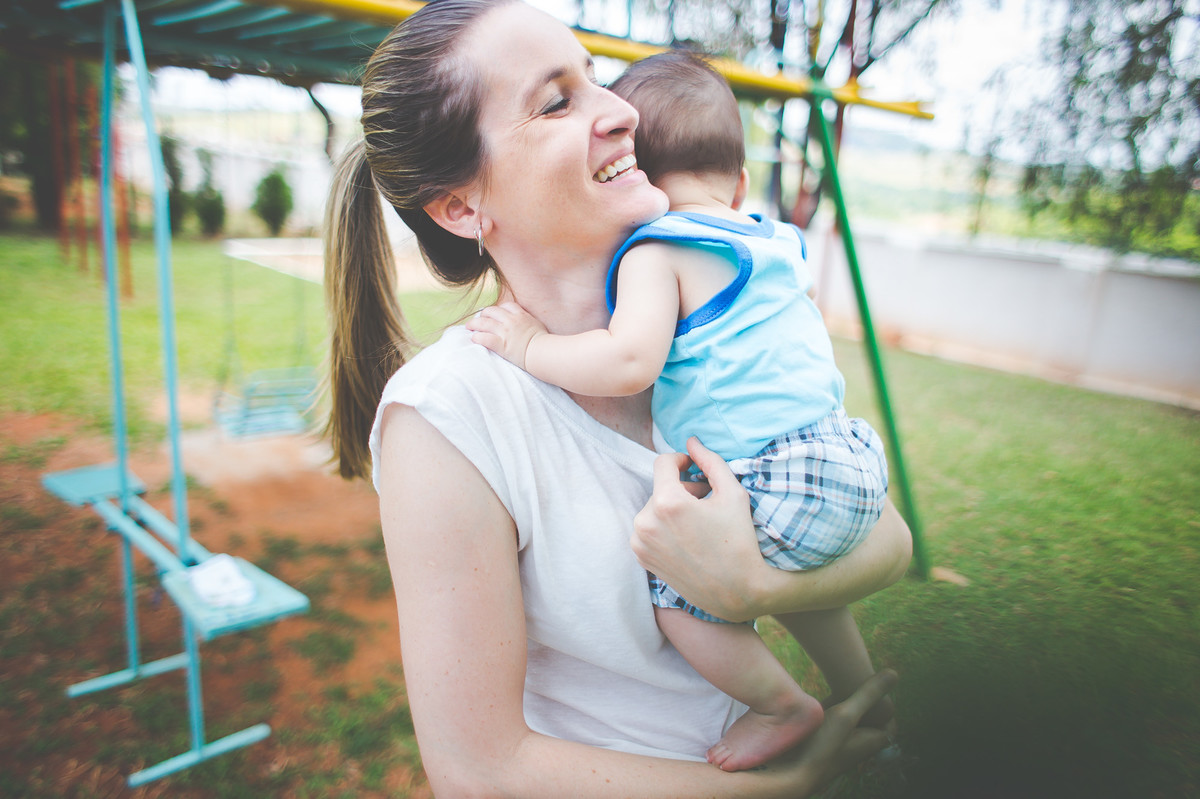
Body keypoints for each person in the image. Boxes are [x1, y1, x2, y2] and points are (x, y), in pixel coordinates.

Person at [324, 0, 912, 795]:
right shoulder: (448, 414)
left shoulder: (709, 331)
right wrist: (790, 784)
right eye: (557, 101)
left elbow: (891, 540)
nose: (623, 111)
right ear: (462, 207)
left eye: (598, 82)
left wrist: (757, 589)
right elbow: (477, 768)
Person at [466, 50, 893, 772]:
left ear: (640, 180)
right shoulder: (770, 240)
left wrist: (531, 344)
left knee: (677, 597)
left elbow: (628, 358)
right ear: (743, 181)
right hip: (848, 456)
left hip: (772, 471)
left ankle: (780, 703)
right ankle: (864, 686)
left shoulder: (657, 247)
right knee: (805, 591)